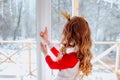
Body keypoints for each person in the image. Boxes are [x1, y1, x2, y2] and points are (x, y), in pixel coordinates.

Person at [40, 13, 93, 80]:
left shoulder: (73, 57)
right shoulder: (77, 54)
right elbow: (61, 57)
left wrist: (45, 53)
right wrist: (47, 42)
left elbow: (52, 65)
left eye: (66, 32)